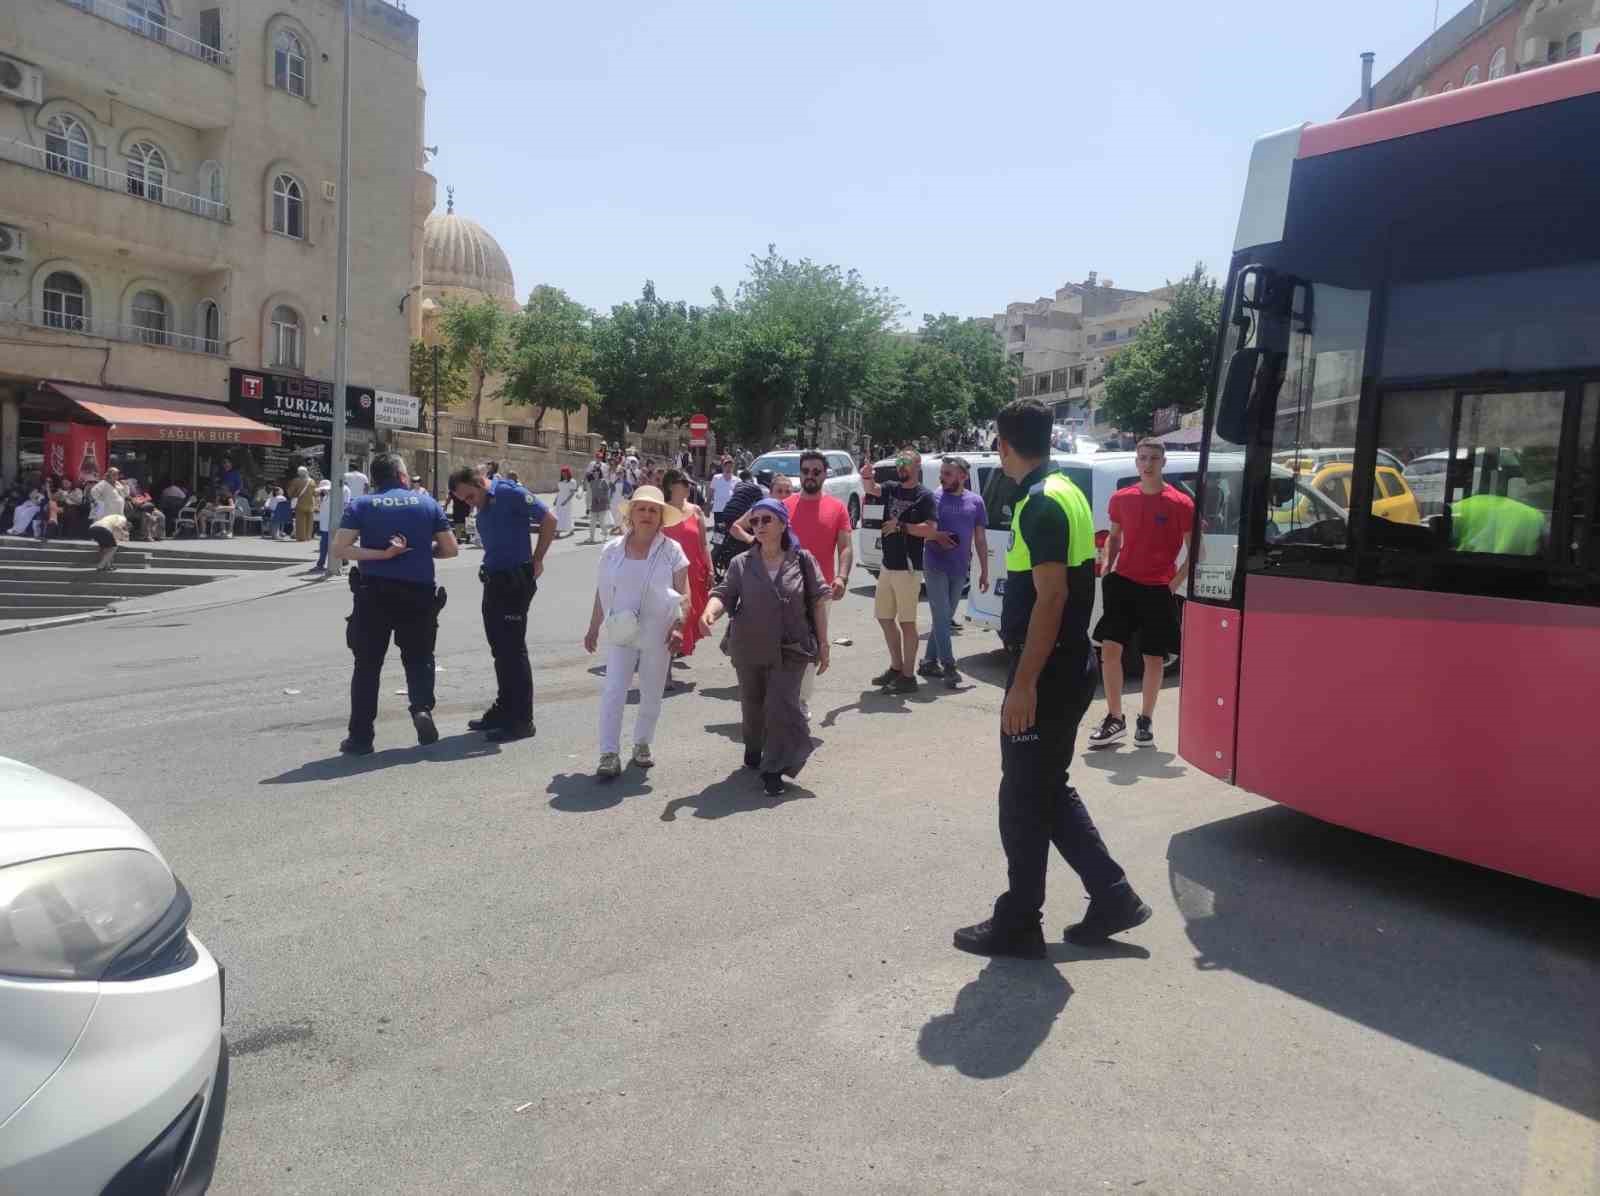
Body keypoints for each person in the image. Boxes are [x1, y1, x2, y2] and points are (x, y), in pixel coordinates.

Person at [954, 398, 1150, 959]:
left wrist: (1022, 684)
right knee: (1044, 790)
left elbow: (1053, 597)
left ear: (1004, 444)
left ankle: (1019, 920)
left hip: (1046, 670)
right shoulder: (1066, 491)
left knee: (1022, 796)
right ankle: (1113, 896)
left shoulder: (1041, 503)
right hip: (1064, 665)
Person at [700, 498, 830, 796]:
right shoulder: (741, 563)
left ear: (783, 523)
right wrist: (711, 612)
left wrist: (824, 644)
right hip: (749, 646)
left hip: (792, 648)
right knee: (753, 705)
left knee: (781, 708)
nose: (758, 526)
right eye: (754, 521)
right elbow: (724, 592)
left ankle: (774, 768)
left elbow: (818, 603)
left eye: (765, 520)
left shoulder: (803, 560)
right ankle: (754, 748)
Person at [331, 453, 459, 754]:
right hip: (418, 593)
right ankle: (421, 709)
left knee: (367, 666)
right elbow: (450, 549)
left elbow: (340, 550)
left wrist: (383, 555)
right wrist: (421, 552)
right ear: (402, 476)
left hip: (374, 593)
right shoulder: (426, 503)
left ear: (374, 479)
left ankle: (361, 737)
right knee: (418, 657)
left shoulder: (361, 505)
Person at [1088, 437, 1195, 748]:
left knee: (1153, 657)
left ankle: (1145, 720)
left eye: (1153, 459)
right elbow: (1114, 537)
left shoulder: (1180, 503)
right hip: (1123, 583)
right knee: (1109, 650)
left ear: (1163, 463)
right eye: (1142, 458)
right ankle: (1114, 718)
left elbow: (1194, 551)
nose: (1147, 464)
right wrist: (1108, 562)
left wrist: (1173, 584)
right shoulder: (1122, 498)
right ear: (1136, 462)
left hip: (1158, 589)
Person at [583, 485, 690, 778]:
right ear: (631, 514)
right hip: (622, 631)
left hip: (659, 632)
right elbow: (602, 591)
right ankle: (608, 752)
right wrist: (593, 627)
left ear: (660, 517)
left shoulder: (672, 551)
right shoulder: (612, 550)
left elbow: (684, 593)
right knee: (614, 690)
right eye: (641, 509)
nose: (646, 514)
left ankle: (642, 744)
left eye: (653, 510)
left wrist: (680, 626)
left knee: (652, 692)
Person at [450, 465, 556, 743]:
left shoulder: (509, 493)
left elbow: (549, 519)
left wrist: (538, 559)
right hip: (494, 581)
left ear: (480, 483)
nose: (467, 503)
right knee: (499, 648)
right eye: (463, 500)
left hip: (515, 581)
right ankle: (505, 708)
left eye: (469, 496)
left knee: (513, 650)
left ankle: (522, 720)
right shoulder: (484, 504)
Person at [860, 448, 937, 693]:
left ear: (917, 466)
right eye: (899, 463)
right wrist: (866, 476)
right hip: (887, 565)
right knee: (884, 617)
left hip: (908, 568)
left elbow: (930, 529)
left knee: (907, 623)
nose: (901, 467)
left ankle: (908, 676)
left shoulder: (924, 496)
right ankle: (895, 667)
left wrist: (902, 526)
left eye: (906, 463)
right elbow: (872, 489)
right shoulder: (892, 487)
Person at [918, 456, 989, 689]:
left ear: (963, 476)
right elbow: (924, 531)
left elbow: (980, 539)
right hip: (934, 562)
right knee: (941, 616)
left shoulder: (976, 502)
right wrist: (937, 536)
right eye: (942, 473)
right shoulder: (933, 498)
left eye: (948, 473)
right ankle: (949, 665)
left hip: (959, 567)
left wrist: (984, 571)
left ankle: (928, 661)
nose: (942, 477)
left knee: (945, 616)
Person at [659, 468, 713, 683]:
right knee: (672, 617)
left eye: (689, 483)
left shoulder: (696, 511)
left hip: (695, 572)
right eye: (685, 483)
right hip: (669, 572)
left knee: (689, 617)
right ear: (672, 486)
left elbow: (703, 544)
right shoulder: (662, 511)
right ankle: (666, 671)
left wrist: (709, 569)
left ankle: (675, 651)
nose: (689, 487)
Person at [313, 477, 351, 573]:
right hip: (326, 525)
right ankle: (340, 561)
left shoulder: (338, 494)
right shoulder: (325, 497)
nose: (324, 491)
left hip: (334, 524)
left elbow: (345, 505)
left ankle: (324, 563)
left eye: (325, 490)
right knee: (325, 544)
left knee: (328, 544)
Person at [584, 453, 612, 542]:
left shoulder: (603, 481)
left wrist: (605, 501)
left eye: (597, 472)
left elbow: (607, 492)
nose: (595, 474)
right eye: (594, 472)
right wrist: (588, 506)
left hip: (602, 504)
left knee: (601, 521)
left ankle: (606, 534)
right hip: (594, 504)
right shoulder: (591, 482)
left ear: (599, 473)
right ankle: (591, 537)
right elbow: (589, 493)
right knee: (592, 522)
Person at [288, 466, 316, 541]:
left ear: (299, 473)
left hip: (300, 504)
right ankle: (308, 537)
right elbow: (315, 493)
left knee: (300, 521)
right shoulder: (312, 481)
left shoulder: (296, 481)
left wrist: (293, 496)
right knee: (309, 521)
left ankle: (301, 537)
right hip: (310, 504)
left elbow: (290, 492)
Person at [555, 466, 577, 536]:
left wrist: (566, 501)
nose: (564, 475)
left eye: (565, 473)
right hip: (559, 500)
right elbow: (559, 491)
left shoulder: (572, 481)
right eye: (562, 473)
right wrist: (556, 499)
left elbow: (572, 493)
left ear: (568, 473)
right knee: (558, 515)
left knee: (567, 516)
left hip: (567, 501)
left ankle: (571, 529)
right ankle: (558, 532)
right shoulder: (560, 482)